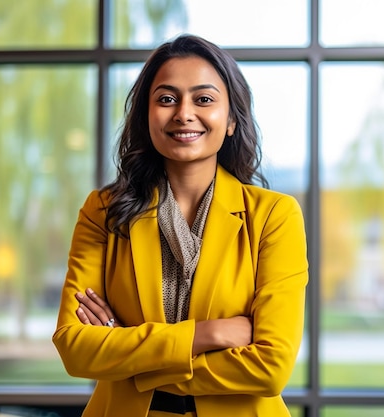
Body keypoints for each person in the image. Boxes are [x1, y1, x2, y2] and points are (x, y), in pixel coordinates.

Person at [52, 34, 309, 417]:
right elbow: (75, 347)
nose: (183, 113)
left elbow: (270, 368)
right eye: (166, 99)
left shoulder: (274, 216)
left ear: (233, 120)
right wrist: (209, 334)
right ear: (146, 116)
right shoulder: (103, 212)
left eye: (203, 99)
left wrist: (130, 357)